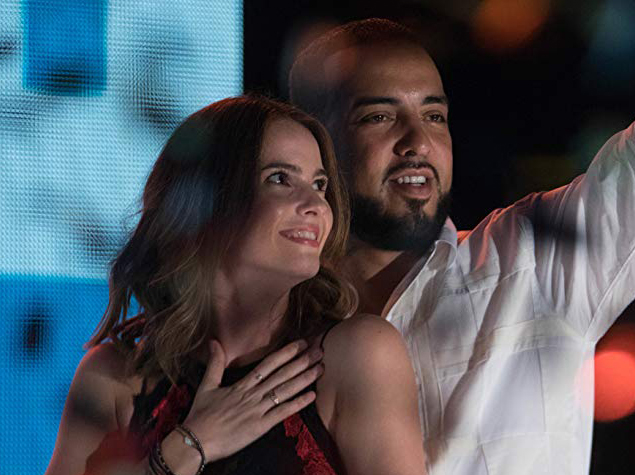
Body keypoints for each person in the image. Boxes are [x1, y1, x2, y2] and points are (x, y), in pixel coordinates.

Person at [286, 0, 635, 473]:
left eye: (434, 115)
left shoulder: (529, 264)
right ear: (315, 148)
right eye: (379, 116)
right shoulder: (272, 327)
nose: (418, 142)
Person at [44, 96, 426, 475]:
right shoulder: (113, 376)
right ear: (205, 202)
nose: (316, 205)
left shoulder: (359, 355)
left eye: (319, 184)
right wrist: (190, 445)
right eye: (280, 178)